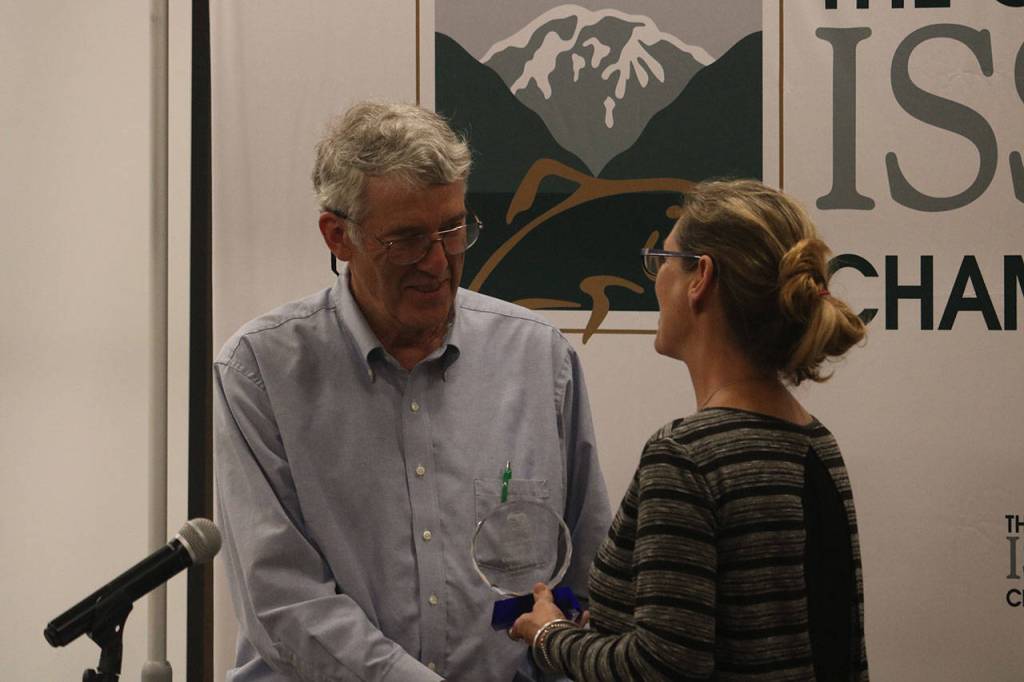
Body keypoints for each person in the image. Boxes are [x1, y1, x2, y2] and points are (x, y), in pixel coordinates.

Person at [214, 102, 611, 681]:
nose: (438, 262)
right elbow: (282, 601)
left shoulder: (538, 357)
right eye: (406, 240)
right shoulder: (260, 372)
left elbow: (589, 570)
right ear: (338, 235)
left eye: (452, 229)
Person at [510, 179, 870, 681]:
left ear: (700, 276)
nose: (656, 280)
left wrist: (550, 634)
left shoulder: (685, 457)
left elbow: (662, 669)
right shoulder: (817, 443)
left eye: (663, 259)